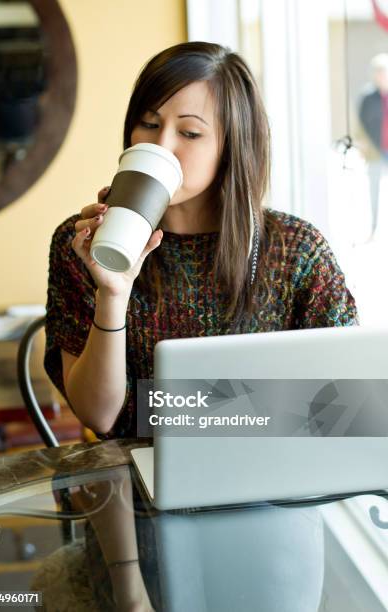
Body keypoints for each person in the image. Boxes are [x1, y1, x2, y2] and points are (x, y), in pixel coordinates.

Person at [43, 42, 358, 610]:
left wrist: (183, 410)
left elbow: (356, 409)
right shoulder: (81, 245)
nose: (161, 144)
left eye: (189, 132)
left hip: (269, 514)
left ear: (231, 145)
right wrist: (113, 290)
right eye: (148, 123)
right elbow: (99, 416)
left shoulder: (295, 251)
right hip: (132, 523)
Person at [358, 53, 388, 240]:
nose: (381, 76)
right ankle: (373, 229)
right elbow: (360, 124)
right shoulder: (368, 98)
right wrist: (363, 145)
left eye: (383, 72)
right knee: (374, 190)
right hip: (376, 151)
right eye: (378, 72)